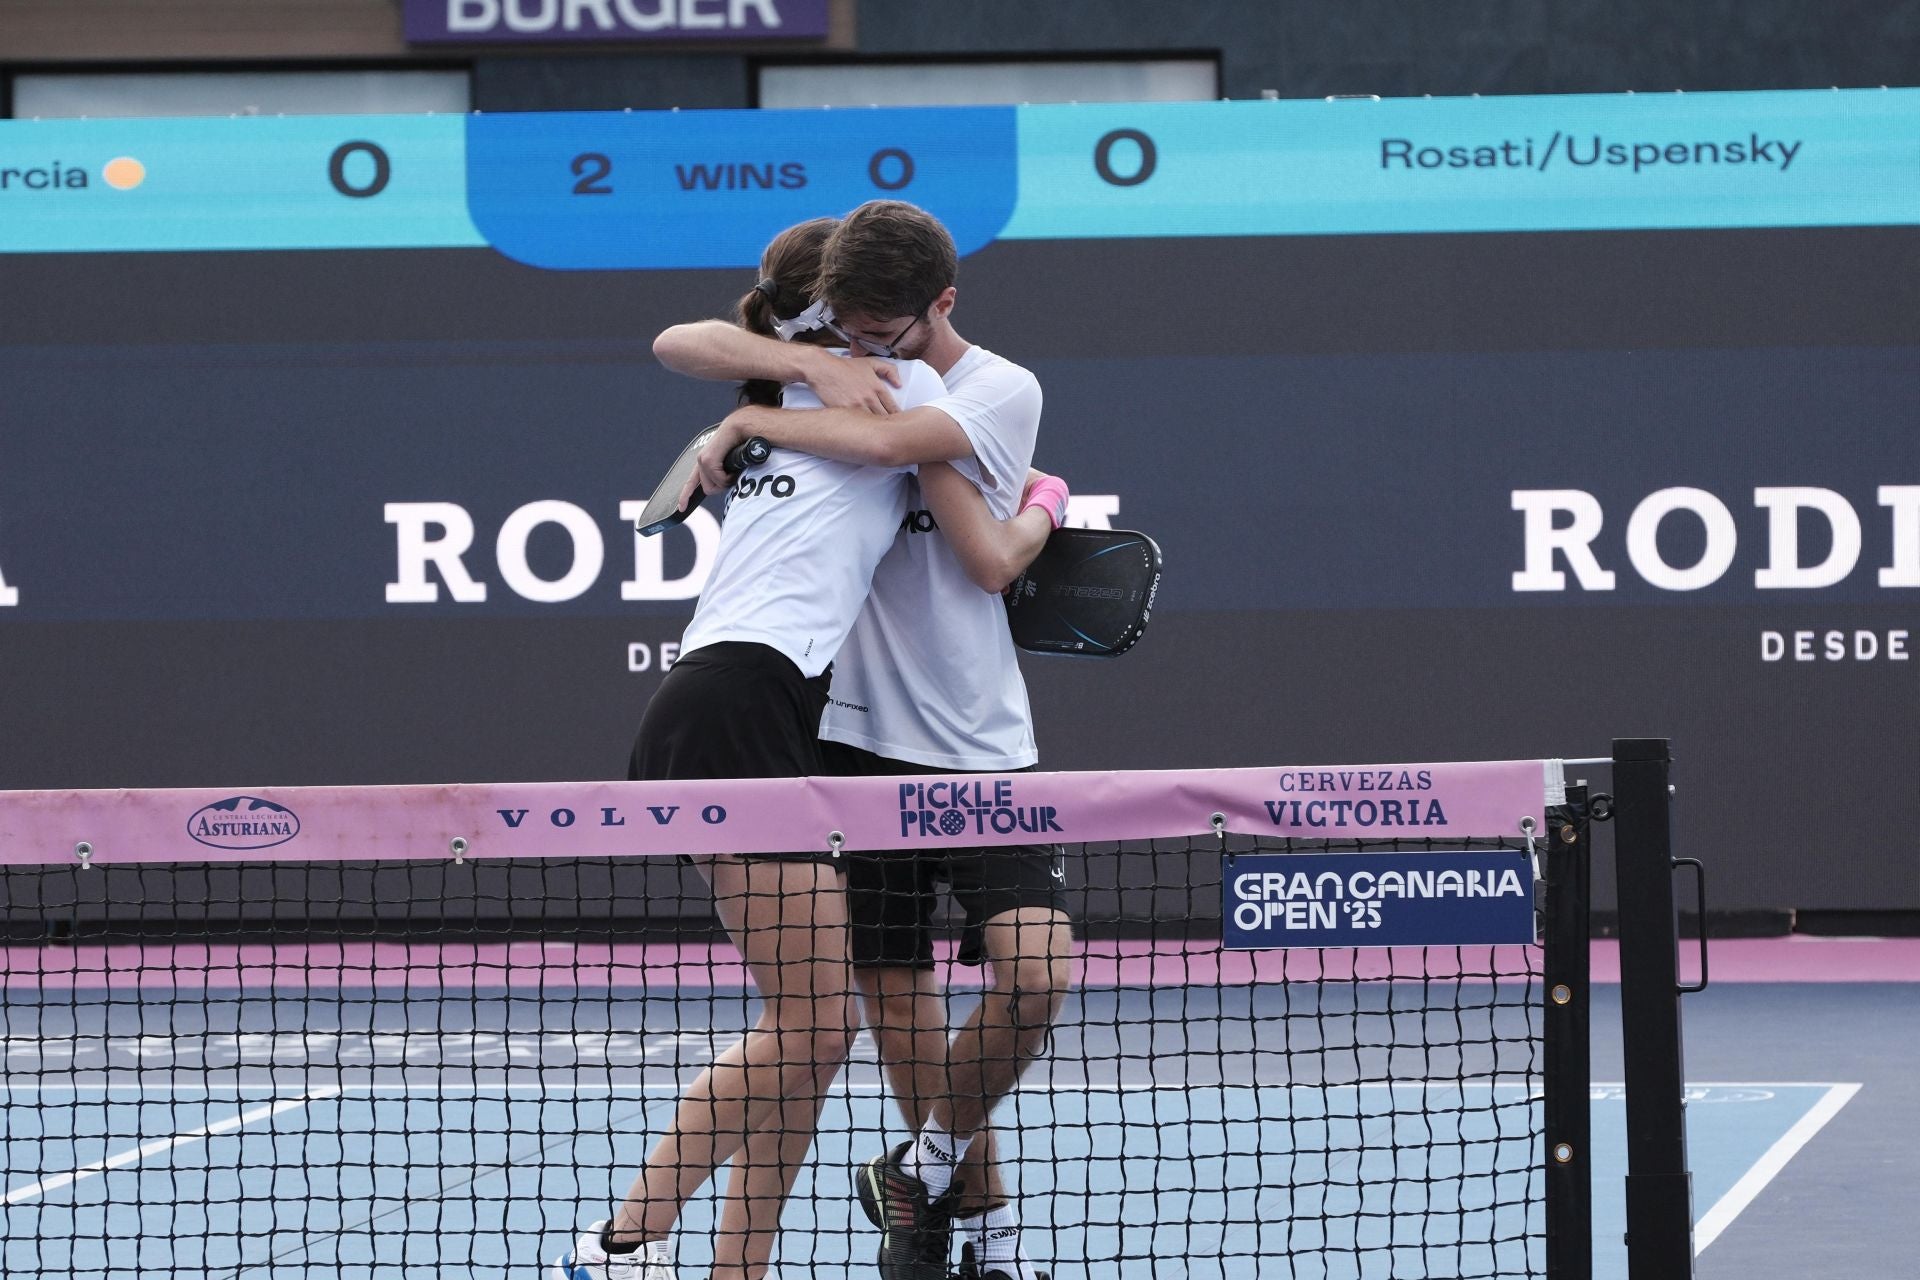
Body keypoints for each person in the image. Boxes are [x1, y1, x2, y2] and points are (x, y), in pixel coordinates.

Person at [661, 200, 1074, 1280]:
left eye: (883, 325)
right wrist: (768, 393)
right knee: (892, 1009)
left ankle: (925, 1161)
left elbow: (965, 535)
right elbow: (685, 342)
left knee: (1035, 975)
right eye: (847, 322)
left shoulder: (995, 388)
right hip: (850, 748)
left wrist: (752, 422)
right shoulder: (829, 363)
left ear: (941, 304)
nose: (864, 342)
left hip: (985, 745)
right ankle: (980, 1230)